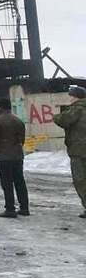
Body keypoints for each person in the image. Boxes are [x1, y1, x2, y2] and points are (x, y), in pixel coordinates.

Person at [0, 98, 28, 218]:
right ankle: (24, 208)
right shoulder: (18, 120)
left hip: (4, 157)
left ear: (0, 107)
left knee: (7, 183)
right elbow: (22, 139)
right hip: (17, 156)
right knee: (20, 181)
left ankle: (10, 209)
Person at [54, 85, 86, 219]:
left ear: (75, 97)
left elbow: (61, 120)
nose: (70, 99)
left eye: (71, 96)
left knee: (80, 180)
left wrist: (57, 114)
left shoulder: (76, 109)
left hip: (79, 150)